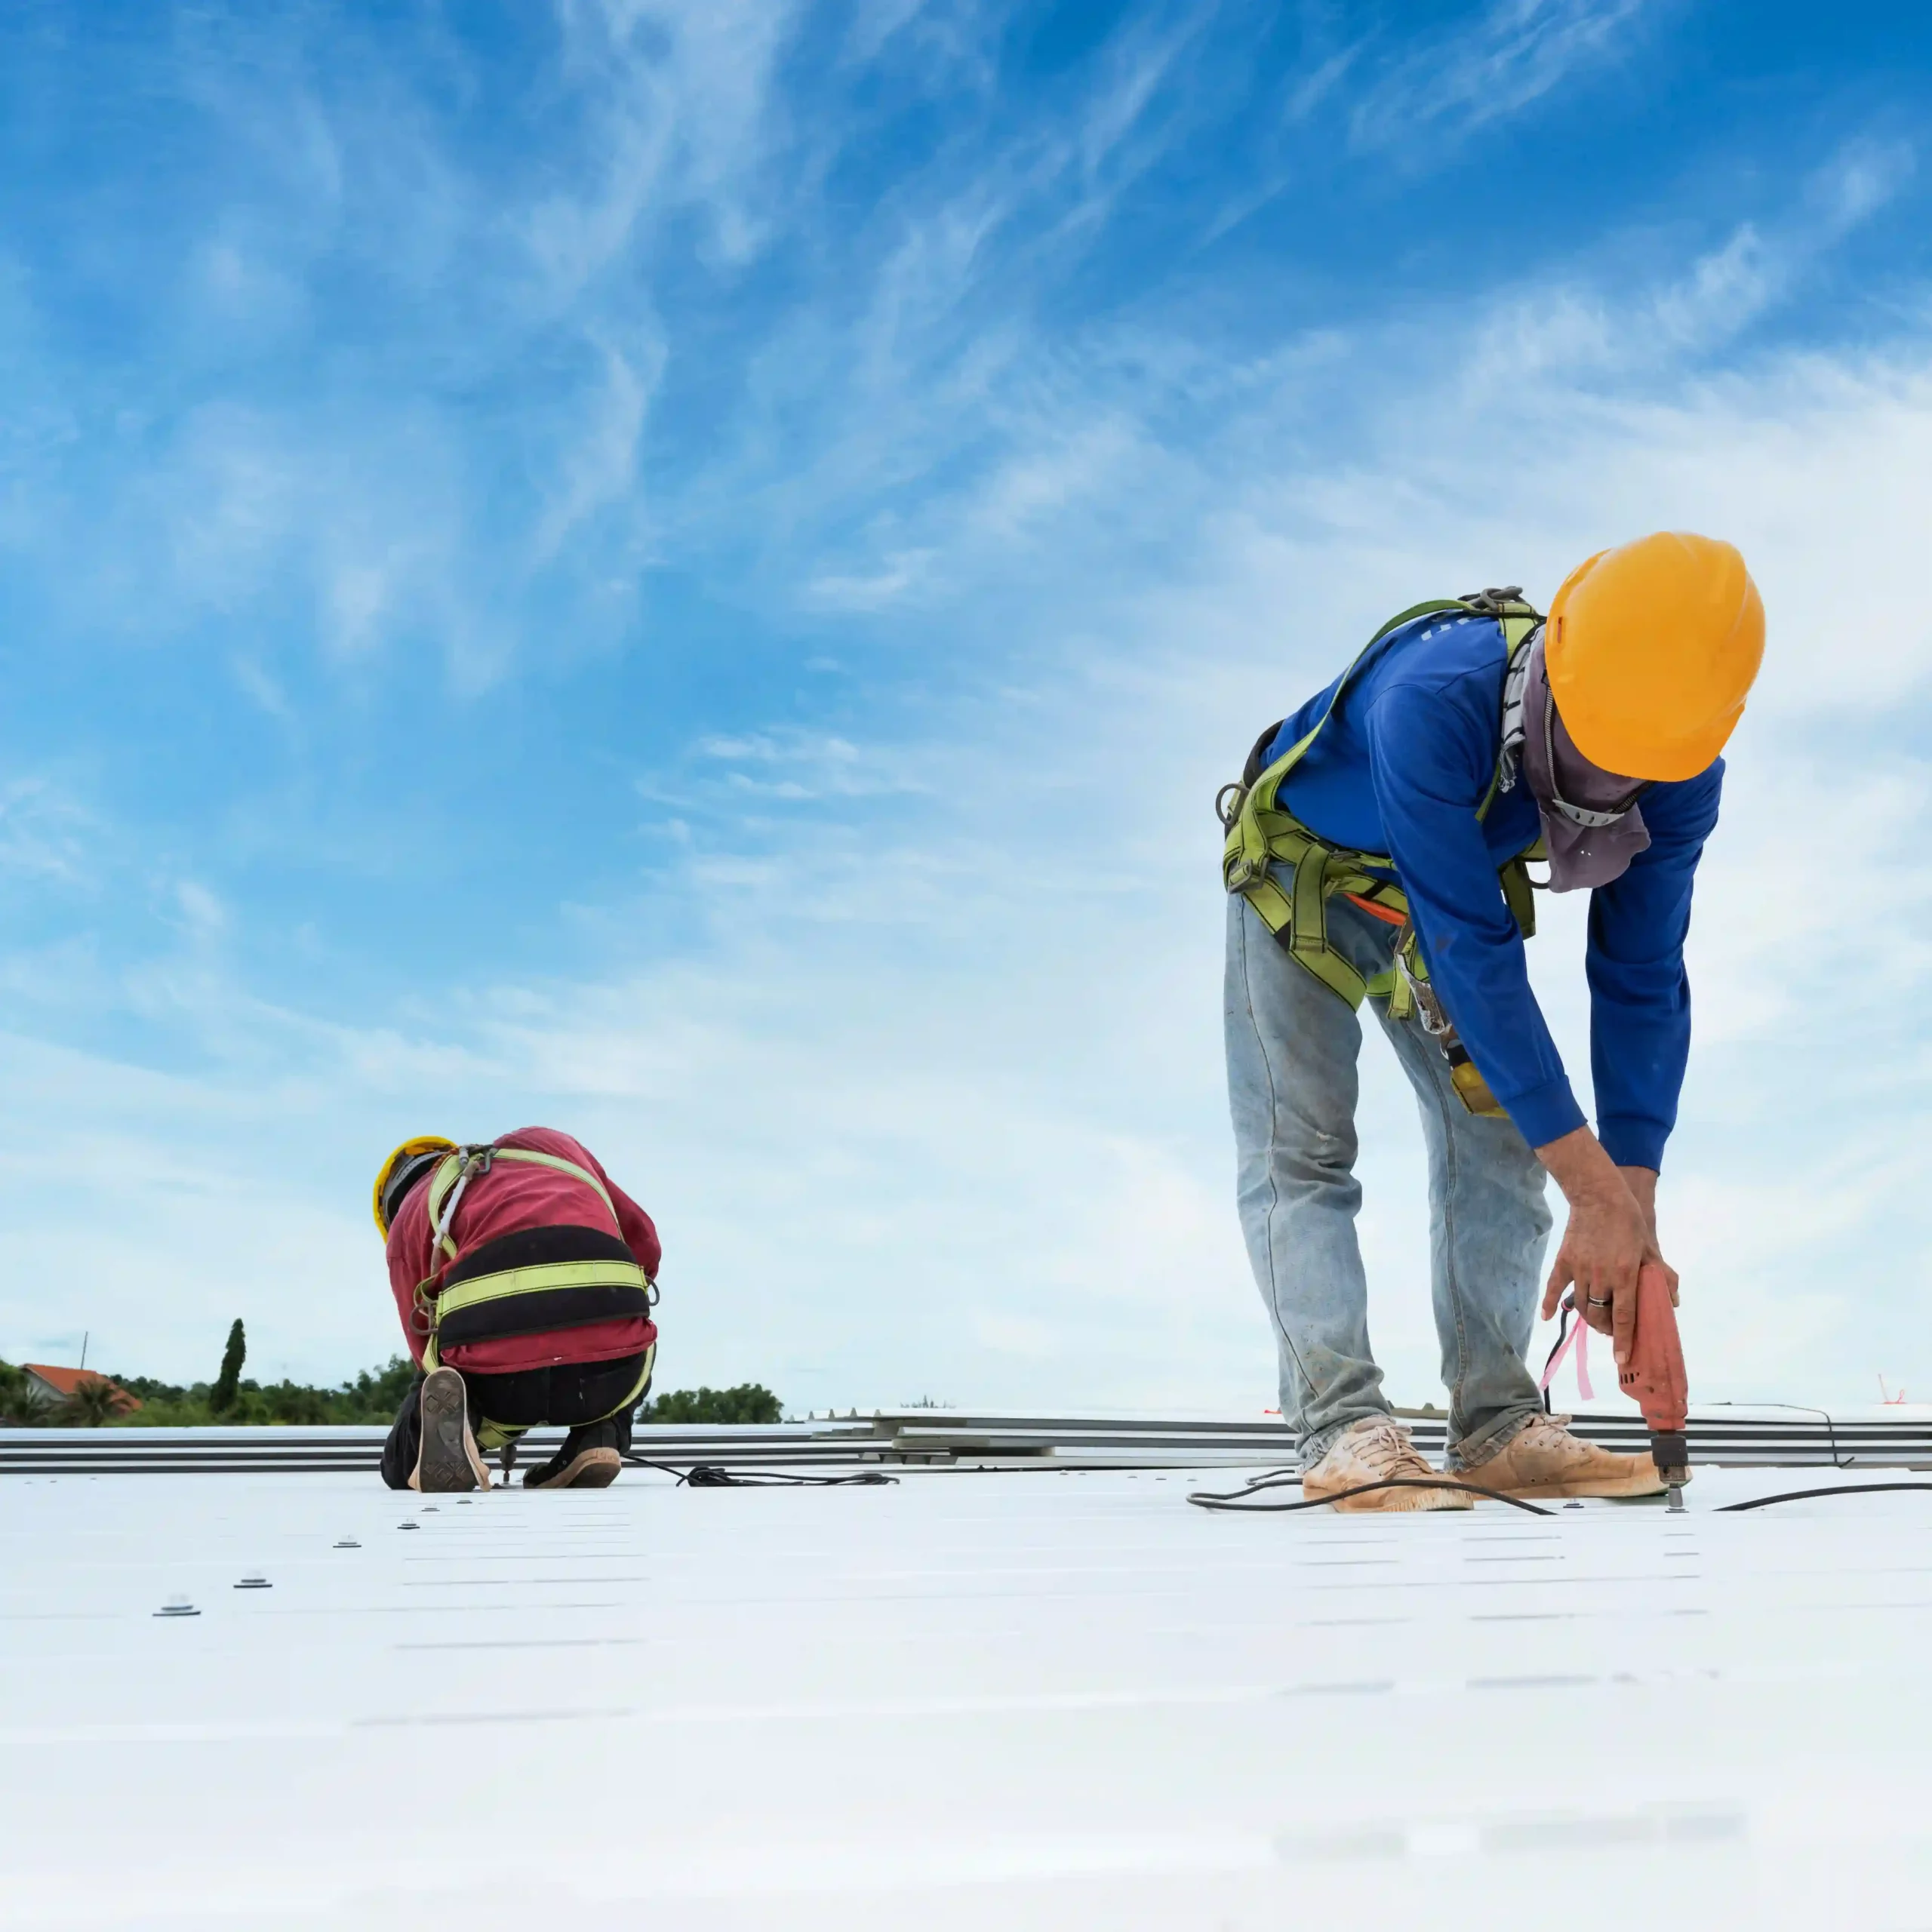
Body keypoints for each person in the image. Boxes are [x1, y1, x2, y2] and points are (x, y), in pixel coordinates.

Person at [1220, 533, 1763, 1509]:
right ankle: (1342, 1430)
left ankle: (1498, 1426)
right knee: (1301, 1151)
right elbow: (1472, 949)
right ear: (1556, 666)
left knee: (1502, 1139)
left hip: (1437, 899)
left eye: (1639, 772)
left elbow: (1641, 974)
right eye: (1598, 759)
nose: (1612, 792)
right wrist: (1591, 1192)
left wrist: (1630, 1210)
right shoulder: (1432, 699)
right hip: (1299, 876)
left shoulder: (1682, 769)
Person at [371, 1127, 662, 1491]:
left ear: (388, 1209)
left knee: (401, 1459)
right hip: (612, 1371)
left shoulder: (409, 1217)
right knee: (631, 1326)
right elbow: (645, 1244)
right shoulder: (550, 1145)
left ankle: (460, 1427)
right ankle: (601, 1435)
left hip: (499, 1385)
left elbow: (424, 1344)